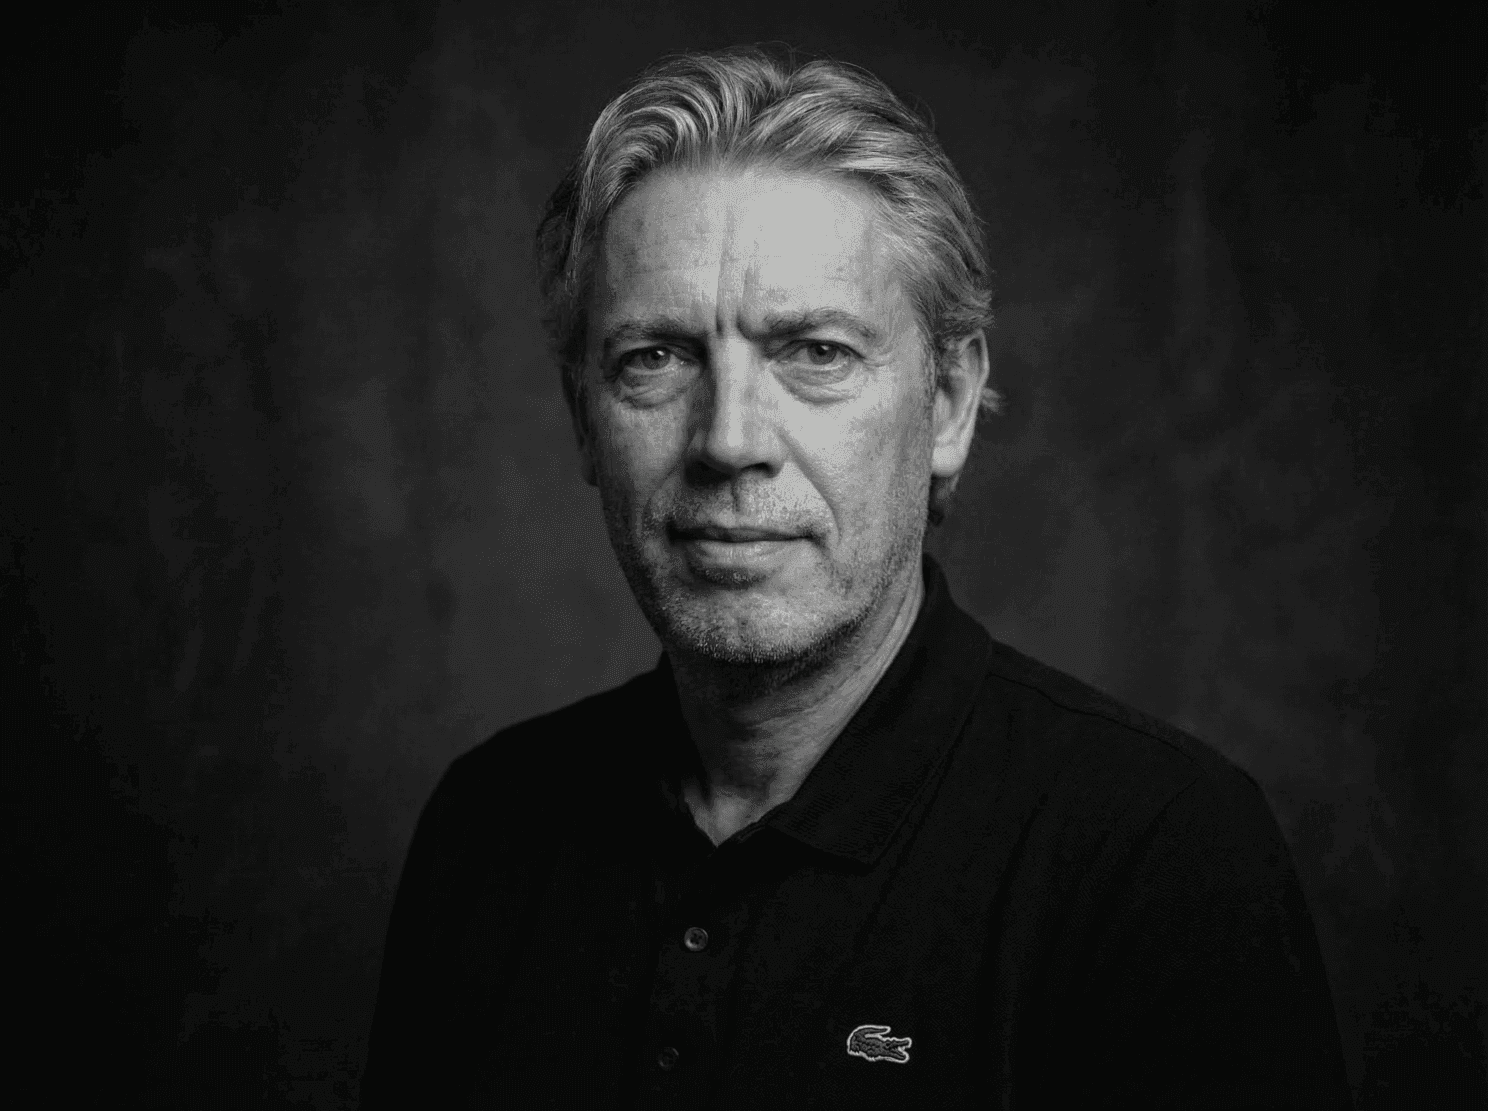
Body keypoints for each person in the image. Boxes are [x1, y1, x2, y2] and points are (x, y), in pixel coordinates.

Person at [362, 47, 1351, 1109]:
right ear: (583, 422)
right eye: (656, 357)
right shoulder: (486, 825)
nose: (729, 440)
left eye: (816, 352)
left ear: (949, 404)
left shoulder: (1163, 857)